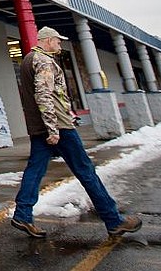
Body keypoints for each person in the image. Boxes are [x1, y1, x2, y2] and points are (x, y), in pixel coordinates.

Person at [11, 26, 142, 239]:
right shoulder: (43, 61)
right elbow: (44, 95)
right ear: (47, 40)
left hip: (40, 126)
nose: (59, 44)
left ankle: (23, 214)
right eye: (57, 41)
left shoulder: (28, 59)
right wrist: (53, 128)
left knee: (35, 170)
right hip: (58, 128)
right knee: (86, 171)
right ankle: (114, 220)